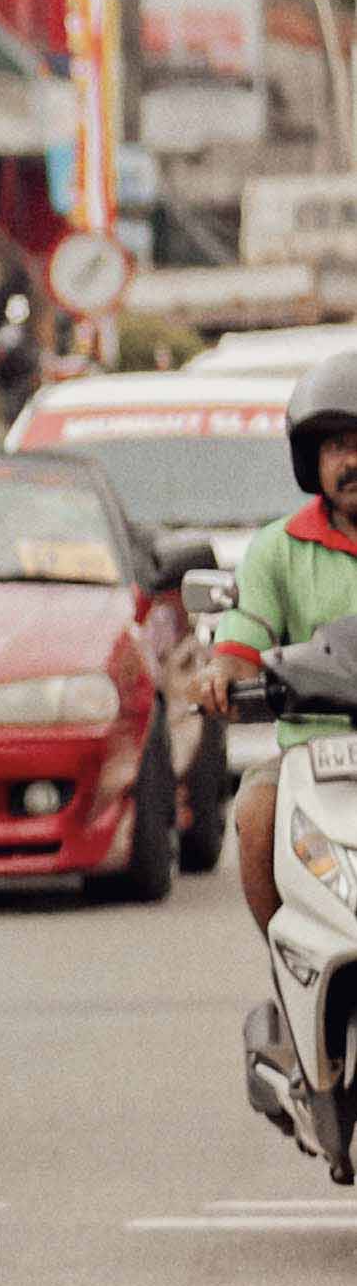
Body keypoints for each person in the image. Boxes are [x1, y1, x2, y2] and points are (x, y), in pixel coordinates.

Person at [227, 362, 357, 939]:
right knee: (256, 813)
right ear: (313, 460)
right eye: (336, 446)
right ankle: (293, 964)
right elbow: (241, 641)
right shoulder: (276, 549)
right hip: (312, 757)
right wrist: (221, 676)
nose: (351, 461)